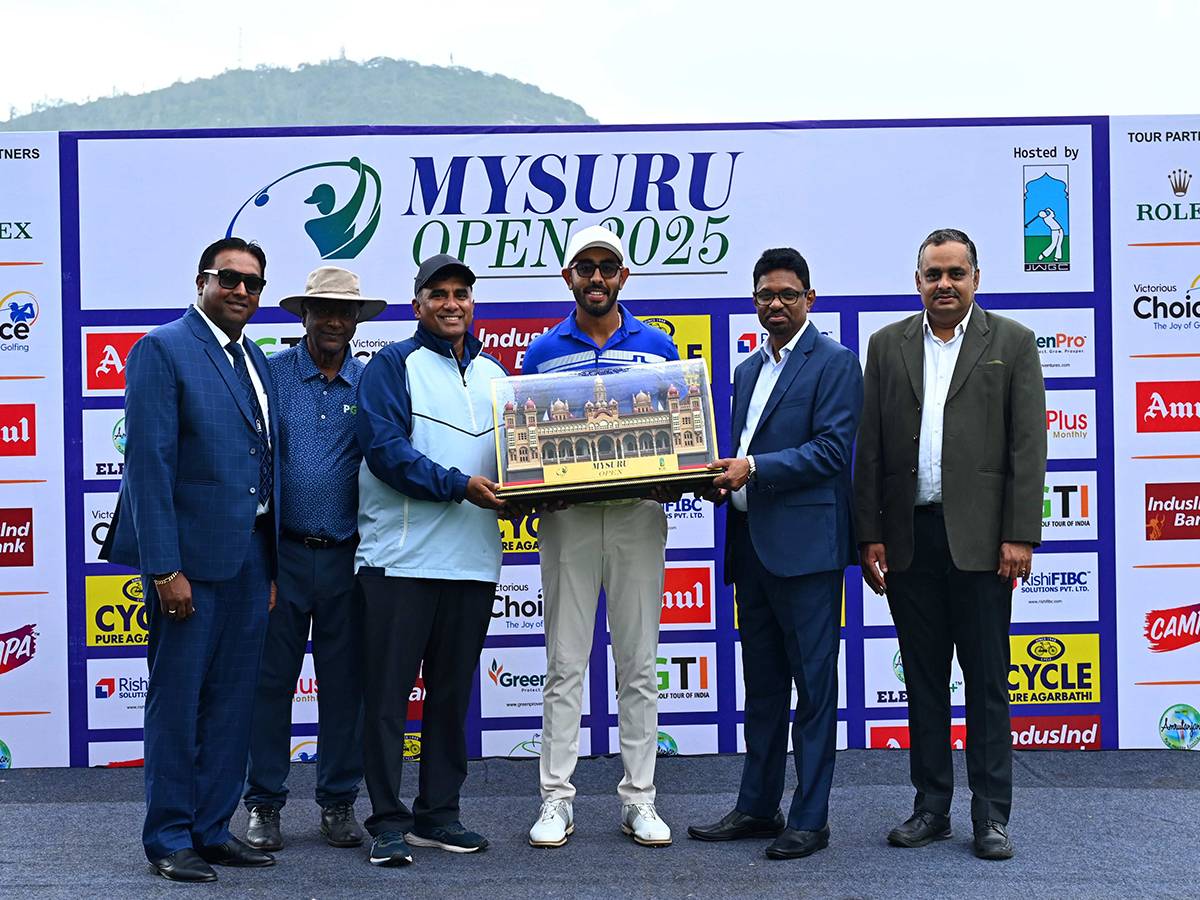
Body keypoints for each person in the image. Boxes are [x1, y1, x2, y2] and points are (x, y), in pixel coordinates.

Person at [853, 228, 1047, 861]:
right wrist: (870, 533)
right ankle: (931, 807)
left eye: (955, 274)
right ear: (917, 281)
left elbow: (1027, 447)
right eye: (933, 274)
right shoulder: (886, 347)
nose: (944, 284)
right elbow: (871, 450)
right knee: (926, 683)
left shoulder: (1012, 342)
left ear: (975, 279)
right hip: (909, 539)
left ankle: (991, 817)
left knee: (988, 681)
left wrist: (1020, 533)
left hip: (984, 542)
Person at [103, 237, 279, 882]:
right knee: (177, 703)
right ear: (201, 280)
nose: (241, 291)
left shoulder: (256, 359)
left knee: (233, 704)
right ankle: (169, 837)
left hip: (251, 561)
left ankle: (211, 828)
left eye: (253, 283)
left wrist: (272, 569)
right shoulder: (162, 349)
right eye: (228, 278)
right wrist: (164, 569)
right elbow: (147, 469)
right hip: (188, 567)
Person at [687, 248, 863, 860]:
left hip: (808, 555)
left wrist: (751, 468)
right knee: (761, 691)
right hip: (752, 552)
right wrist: (715, 476)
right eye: (765, 294)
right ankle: (759, 807)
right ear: (754, 301)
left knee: (814, 692)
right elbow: (741, 458)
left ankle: (810, 818)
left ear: (809, 299)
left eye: (788, 294)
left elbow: (832, 452)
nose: (776, 304)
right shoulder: (745, 371)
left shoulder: (835, 362)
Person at [522, 225, 680, 849]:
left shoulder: (658, 347)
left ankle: (639, 800)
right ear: (569, 278)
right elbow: (527, 444)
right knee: (564, 664)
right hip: (570, 519)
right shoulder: (541, 351)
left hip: (638, 515)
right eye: (584, 267)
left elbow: (678, 432)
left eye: (606, 267)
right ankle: (556, 801)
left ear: (623, 277)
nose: (596, 277)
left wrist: (674, 474)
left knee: (639, 664)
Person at [354, 254, 510, 867]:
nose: (452, 303)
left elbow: (517, 462)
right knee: (389, 701)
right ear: (417, 304)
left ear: (473, 304)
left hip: (473, 561)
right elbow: (386, 452)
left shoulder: (497, 373)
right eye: (438, 293)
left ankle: (438, 815)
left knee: (450, 698)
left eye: (462, 293)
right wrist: (458, 485)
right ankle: (388, 821)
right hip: (401, 561)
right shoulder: (391, 365)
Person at [242, 267, 387, 852]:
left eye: (344, 312)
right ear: (303, 314)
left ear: (356, 321)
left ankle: (337, 804)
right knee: (269, 685)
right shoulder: (270, 376)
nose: (333, 321)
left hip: (349, 558)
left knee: (345, 688)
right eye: (322, 310)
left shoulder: (374, 382)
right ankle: (265, 805)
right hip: (282, 556)